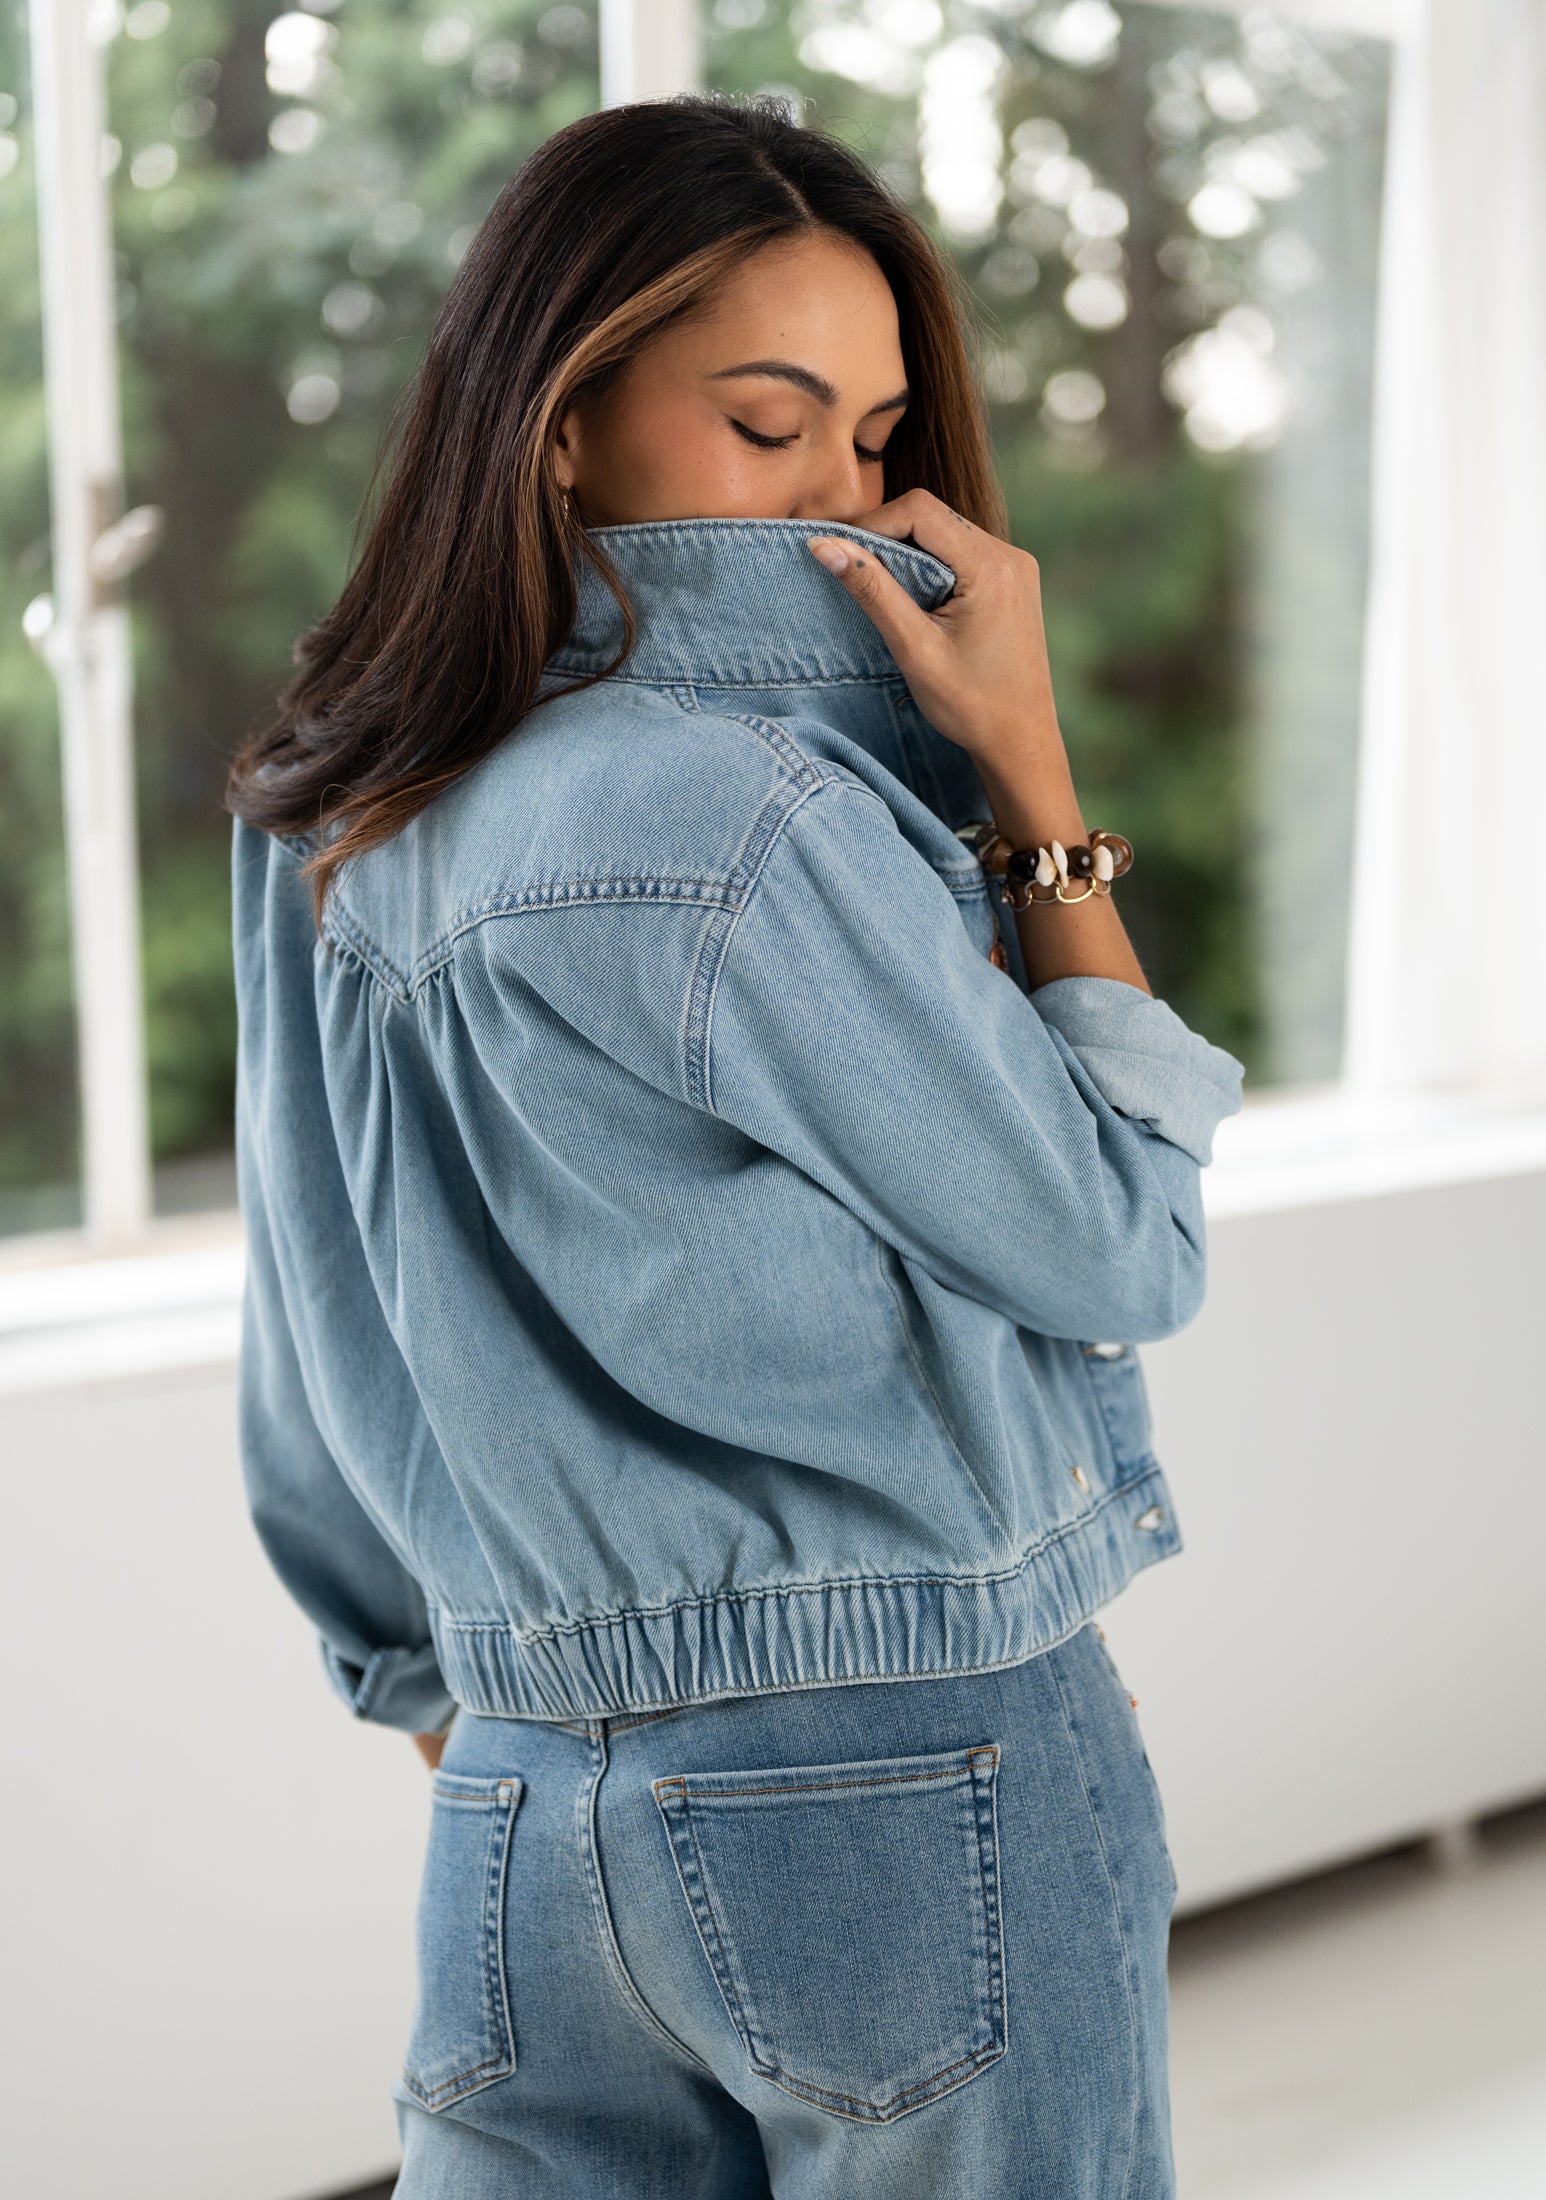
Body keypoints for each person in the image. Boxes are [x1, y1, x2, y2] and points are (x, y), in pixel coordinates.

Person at [228, 94, 1242, 2200]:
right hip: (912, 1749)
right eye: (765, 424)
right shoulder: (752, 822)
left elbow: (308, 1317)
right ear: (562, 419)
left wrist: (454, 1677)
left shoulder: (337, 805)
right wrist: (1029, 764)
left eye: (873, 443)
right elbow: (1121, 1241)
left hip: (517, 1797)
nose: (840, 506)